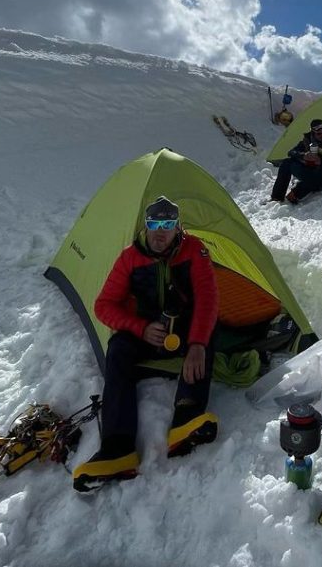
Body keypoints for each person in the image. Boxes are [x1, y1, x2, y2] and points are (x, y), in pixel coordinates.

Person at [72, 196, 219, 491]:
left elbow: (208, 300)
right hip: (148, 332)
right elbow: (104, 306)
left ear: (178, 228)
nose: (160, 231)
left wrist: (197, 344)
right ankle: (117, 448)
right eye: (154, 223)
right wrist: (140, 328)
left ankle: (186, 417)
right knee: (117, 350)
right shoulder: (130, 257)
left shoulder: (194, 250)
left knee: (209, 332)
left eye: (168, 224)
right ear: (146, 225)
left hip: (183, 329)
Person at [270, 119, 322, 204]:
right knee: (287, 163)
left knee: (318, 179)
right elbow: (291, 152)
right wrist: (304, 156)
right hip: (309, 171)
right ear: (313, 132)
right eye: (319, 133)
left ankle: (296, 193)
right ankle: (277, 197)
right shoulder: (306, 142)